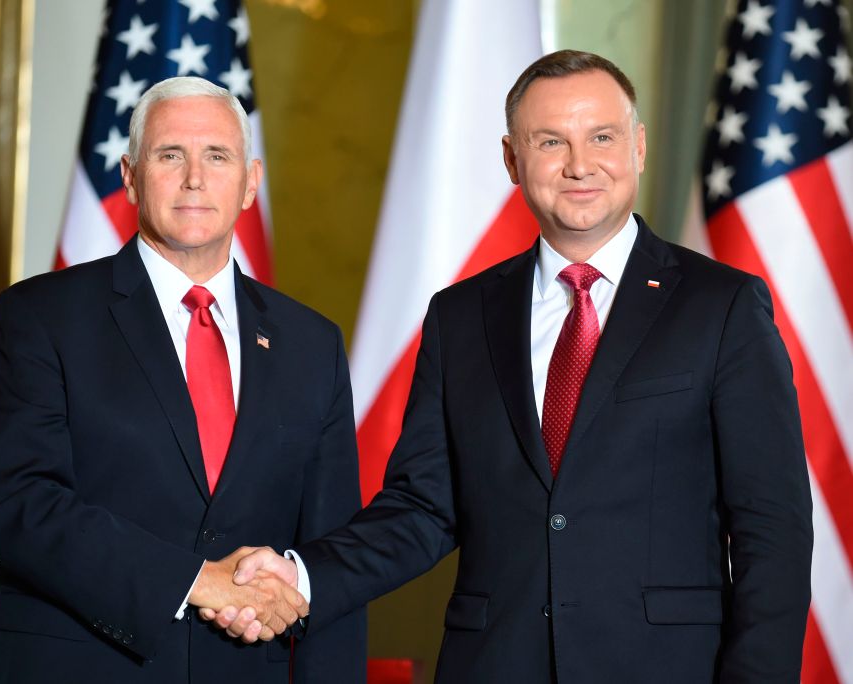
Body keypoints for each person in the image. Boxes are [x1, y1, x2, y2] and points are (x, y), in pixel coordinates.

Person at [221, 51, 813, 683]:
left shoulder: (721, 306)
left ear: (638, 147)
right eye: (551, 141)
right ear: (511, 159)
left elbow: (772, 530)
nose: (580, 164)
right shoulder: (460, 316)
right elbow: (424, 507)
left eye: (602, 137)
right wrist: (303, 576)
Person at [0, 77, 365, 683]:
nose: (194, 178)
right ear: (129, 175)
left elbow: (330, 553)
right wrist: (194, 581)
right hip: (72, 665)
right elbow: (17, 502)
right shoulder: (39, 317)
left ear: (251, 181)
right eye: (170, 154)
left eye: (217, 156)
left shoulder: (313, 344)